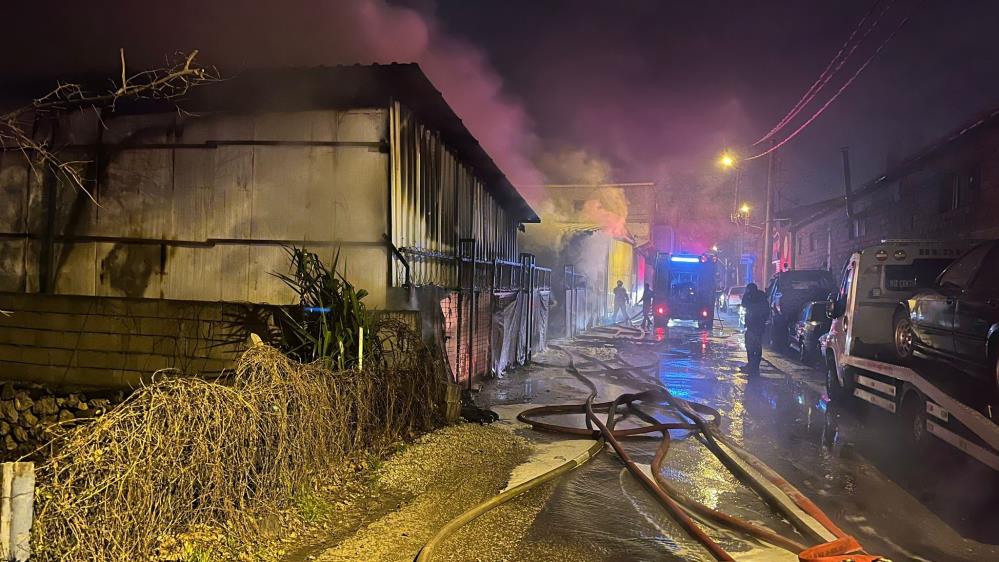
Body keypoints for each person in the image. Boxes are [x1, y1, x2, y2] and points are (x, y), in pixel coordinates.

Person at [740, 282, 769, 375]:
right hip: (757, 327)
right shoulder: (761, 298)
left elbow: (744, 304)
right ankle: (753, 366)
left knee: (752, 346)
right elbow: (743, 305)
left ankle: (753, 366)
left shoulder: (756, 299)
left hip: (754, 326)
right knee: (755, 346)